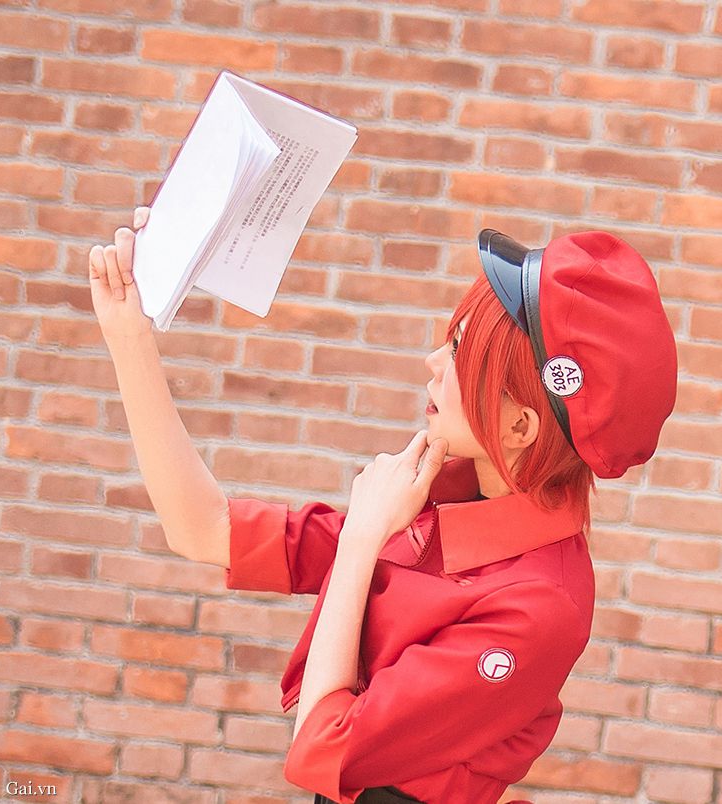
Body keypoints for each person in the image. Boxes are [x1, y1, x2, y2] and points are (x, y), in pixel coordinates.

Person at [88, 209, 678, 804]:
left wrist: (361, 540)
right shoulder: (437, 500)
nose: (433, 362)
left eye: (460, 352)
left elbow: (322, 747)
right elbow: (204, 530)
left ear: (520, 426)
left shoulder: (539, 604)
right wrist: (128, 335)